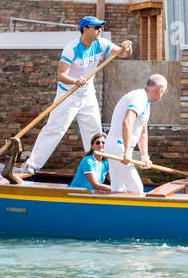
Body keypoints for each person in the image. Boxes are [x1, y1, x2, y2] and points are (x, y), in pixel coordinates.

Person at [23, 16, 132, 176]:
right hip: (68, 94)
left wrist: (127, 48)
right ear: (85, 29)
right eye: (96, 28)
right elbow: (61, 75)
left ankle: (99, 171)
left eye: (100, 28)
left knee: (95, 132)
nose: (99, 31)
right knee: (55, 129)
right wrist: (75, 81)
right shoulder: (71, 48)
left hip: (87, 95)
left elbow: (123, 54)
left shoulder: (101, 43)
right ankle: (31, 165)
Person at [102, 74, 168, 195]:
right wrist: (127, 151)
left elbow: (143, 132)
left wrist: (145, 156)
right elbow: (127, 121)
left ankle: (116, 213)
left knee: (118, 189)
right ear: (160, 88)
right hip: (119, 147)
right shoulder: (139, 98)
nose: (163, 94)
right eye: (164, 91)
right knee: (137, 190)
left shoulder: (145, 101)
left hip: (116, 147)